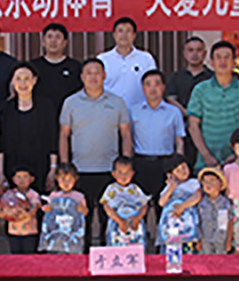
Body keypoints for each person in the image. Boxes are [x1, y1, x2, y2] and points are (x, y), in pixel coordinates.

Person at [59, 58, 132, 247]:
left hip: (110, 171)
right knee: (83, 218)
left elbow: (125, 134)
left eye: (97, 72)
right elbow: (64, 135)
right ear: (82, 77)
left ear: (104, 76)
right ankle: (83, 256)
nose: (93, 76)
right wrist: (65, 167)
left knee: (109, 218)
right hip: (80, 170)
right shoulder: (71, 102)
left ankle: (108, 255)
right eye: (89, 73)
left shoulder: (117, 102)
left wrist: (126, 165)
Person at [187, 40, 239, 171]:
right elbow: (193, 125)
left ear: (234, 61)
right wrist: (206, 156)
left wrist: (237, 155)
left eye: (227, 57)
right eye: (218, 57)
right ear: (211, 62)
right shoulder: (200, 90)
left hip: (238, 164)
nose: (223, 61)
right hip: (206, 164)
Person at [0, 63, 58, 194]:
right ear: (13, 81)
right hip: (12, 171)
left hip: (40, 169)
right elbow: (1, 145)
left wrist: (52, 170)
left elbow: (52, 139)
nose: (23, 83)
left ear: (34, 80)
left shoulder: (46, 106)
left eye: (27, 78)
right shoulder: (6, 108)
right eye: (18, 79)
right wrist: (1, 174)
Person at [130, 69, 185, 198]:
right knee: (141, 203)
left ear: (163, 87)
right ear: (143, 88)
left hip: (165, 163)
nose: (153, 88)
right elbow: (128, 138)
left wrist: (178, 165)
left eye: (157, 84)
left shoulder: (174, 112)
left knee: (164, 202)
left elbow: (179, 141)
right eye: (148, 84)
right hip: (141, 163)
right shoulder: (133, 111)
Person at [166, 36, 214, 168]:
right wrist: (188, 113)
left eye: (199, 50)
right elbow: (171, 98)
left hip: (206, 129)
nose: (195, 54)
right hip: (182, 129)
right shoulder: (176, 77)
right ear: (184, 53)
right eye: (191, 50)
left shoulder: (212, 77)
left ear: (205, 53)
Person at [98, 17, 157, 111]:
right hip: (110, 111)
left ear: (134, 35)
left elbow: (153, 84)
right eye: (120, 31)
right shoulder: (103, 59)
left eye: (128, 31)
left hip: (140, 111)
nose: (124, 35)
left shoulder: (146, 58)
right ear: (114, 35)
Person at [30, 23, 83, 113]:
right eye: (49, 37)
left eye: (58, 37)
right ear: (43, 41)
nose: (53, 41)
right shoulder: (33, 66)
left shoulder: (75, 66)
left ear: (65, 42)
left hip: (68, 115)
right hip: (39, 115)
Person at [39, 162, 88, 254]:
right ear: (57, 178)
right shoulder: (53, 196)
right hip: (56, 232)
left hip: (72, 232)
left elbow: (84, 214)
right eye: (63, 179)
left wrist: (82, 209)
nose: (66, 183)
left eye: (69, 179)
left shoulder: (79, 197)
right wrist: (45, 208)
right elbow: (47, 212)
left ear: (75, 179)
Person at [101, 156, 150, 247]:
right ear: (113, 174)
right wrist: (120, 221)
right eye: (120, 172)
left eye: (127, 173)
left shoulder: (136, 189)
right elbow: (107, 207)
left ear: (132, 173)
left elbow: (145, 205)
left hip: (134, 224)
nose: (124, 176)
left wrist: (137, 219)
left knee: (135, 248)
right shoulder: (111, 189)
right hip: (117, 224)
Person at [157, 155, 201, 253]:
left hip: (187, 224)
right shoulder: (170, 187)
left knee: (187, 249)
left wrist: (182, 206)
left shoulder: (193, 183)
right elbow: (161, 202)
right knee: (171, 250)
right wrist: (171, 188)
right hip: (171, 226)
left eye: (184, 167)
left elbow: (197, 196)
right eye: (177, 170)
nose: (182, 171)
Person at [0, 165, 41, 254]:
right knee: (16, 257)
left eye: (25, 177)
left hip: (29, 232)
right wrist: (6, 213)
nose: (21, 180)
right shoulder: (10, 194)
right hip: (13, 232)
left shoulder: (33, 194)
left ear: (32, 179)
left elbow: (34, 208)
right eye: (18, 177)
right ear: (14, 179)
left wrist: (23, 215)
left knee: (29, 256)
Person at [196, 168, 233, 255]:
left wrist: (229, 240)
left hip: (221, 239)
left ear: (220, 184)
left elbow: (229, 222)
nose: (208, 184)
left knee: (221, 260)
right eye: (205, 181)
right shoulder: (202, 203)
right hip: (205, 239)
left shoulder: (225, 203)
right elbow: (198, 222)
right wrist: (198, 239)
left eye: (212, 181)